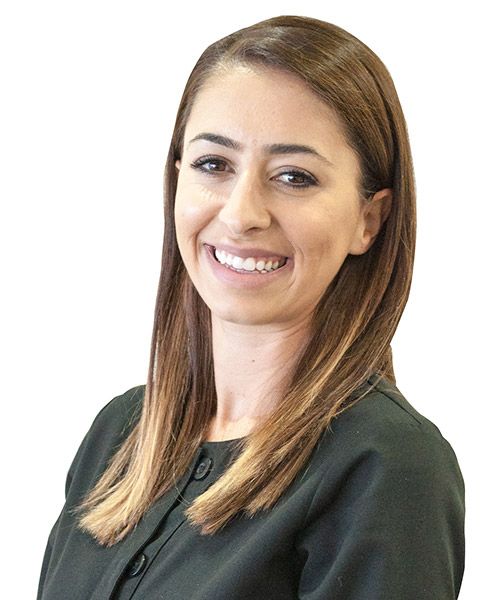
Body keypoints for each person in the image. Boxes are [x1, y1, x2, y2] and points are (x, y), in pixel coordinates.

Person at [37, 14, 465, 600]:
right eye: (214, 165)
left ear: (370, 219)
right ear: (177, 180)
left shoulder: (388, 468)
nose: (242, 214)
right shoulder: (119, 437)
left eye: (294, 176)